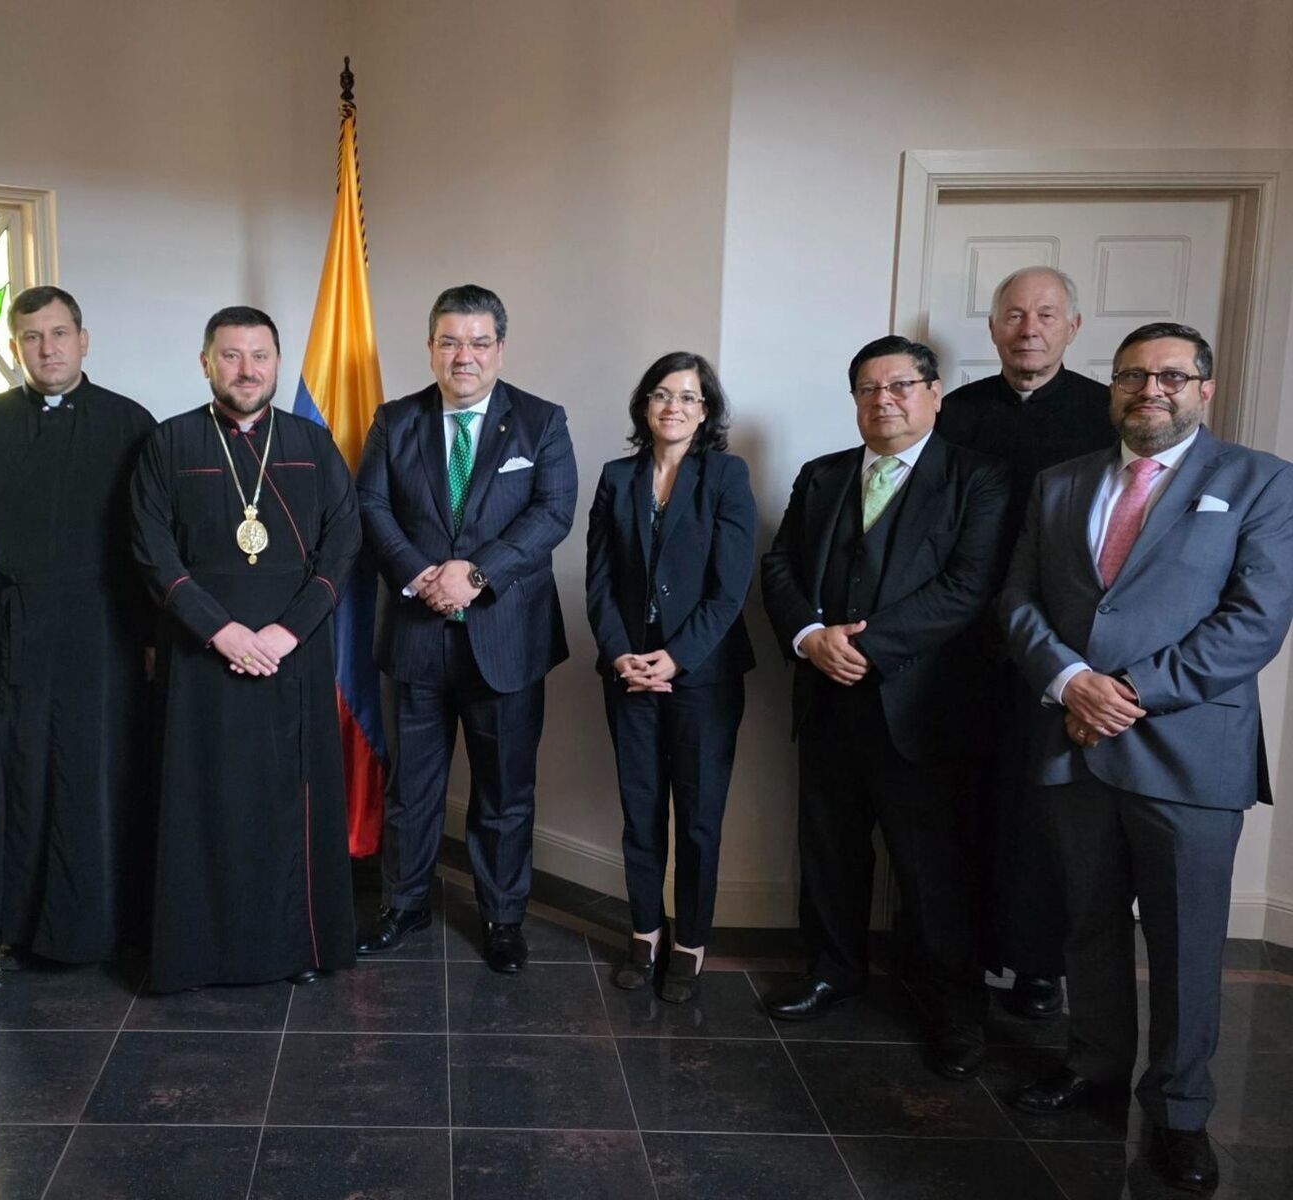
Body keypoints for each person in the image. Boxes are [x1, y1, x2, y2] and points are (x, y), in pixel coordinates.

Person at [999, 322, 1293, 1193]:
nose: (1149, 389)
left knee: (1186, 942)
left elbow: (1254, 622)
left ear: (1205, 385)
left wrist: (1125, 693)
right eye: (1133, 375)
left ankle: (1178, 1111)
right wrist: (1069, 681)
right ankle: (1093, 1066)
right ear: (1113, 387)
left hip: (1189, 753)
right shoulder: (1060, 483)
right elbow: (1017, 600)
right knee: (1086, 923)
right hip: (1073, 741)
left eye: (1170, 375)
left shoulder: (1259, 482)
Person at [758, 335, 1007, 1080]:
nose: (884, 399)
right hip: (828, 701)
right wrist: (808, 636)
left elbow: (970, 586)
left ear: (934, 393)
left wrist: (866, 645)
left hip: (921, 709)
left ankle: (951, 1008)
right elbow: (779, 568)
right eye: (868, 387)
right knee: (830, 851)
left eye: (900, 384)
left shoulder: (978, 479)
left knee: (933, 867)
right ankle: (835, 971)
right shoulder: (823, 475)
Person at [130, 306, 360, 992]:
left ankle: (297, 949)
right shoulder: (168, 444)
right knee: (206, 807)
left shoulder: (313, 446)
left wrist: (288, 632)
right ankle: (199, 956)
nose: (247, 369)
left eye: (259, 355)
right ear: (205, 363)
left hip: (294, 655)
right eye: (230, 355)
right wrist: (220, 630)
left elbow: (343, 540)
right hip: (203, 659)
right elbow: (152, 550)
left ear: (278, 363)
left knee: (290, 807)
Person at [356, 284, 578, 974]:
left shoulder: (541, 422)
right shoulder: (394, 421)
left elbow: (553, 512)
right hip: (416, 636)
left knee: (505, 793)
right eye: (450, 341)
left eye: (479, 342)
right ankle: (405, 904)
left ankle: (502, 917)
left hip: (505, 637)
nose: (464, 356)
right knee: (411, 790)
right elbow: (370, 504)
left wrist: (475, 575)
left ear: (500, 349)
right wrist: (424, 574)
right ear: (430, 348)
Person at [0, 285, 157, 969]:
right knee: (24, 770)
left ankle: (111, 923)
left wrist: (155, 637)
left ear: (83, 340)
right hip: (15, 624)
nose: (48, 348)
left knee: (104, 772)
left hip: (108, 628)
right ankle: (25, 924)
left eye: (60, 333)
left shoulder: (131, 423)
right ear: (16, 348)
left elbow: (153, 541)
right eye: (33, 337)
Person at [937, 266, 1117, 1018]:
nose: (1029, 328)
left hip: (1059, 647)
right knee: (962, 801)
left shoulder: (1106, 413)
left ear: (1073, 327)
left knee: (1044, 815)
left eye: (1046, 314)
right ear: (994, 328)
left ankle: (1040, 966)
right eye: (1014, 314)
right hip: (961, 642)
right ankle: (962, 955)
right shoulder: (955, 412)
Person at [585, 352, 756, 1002]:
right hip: (628, 672)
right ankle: (644, 934)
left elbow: (730, 586)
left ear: (705, 409)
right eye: (661, 394)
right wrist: (621, 653)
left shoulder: (726, 476)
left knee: (699, 820)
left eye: (688, 396)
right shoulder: (615, 476)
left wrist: (677, 658)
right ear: (644, 406)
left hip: (704, 677)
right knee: (641, 814)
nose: (673, 406)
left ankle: (689, 945)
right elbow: (599, 580)